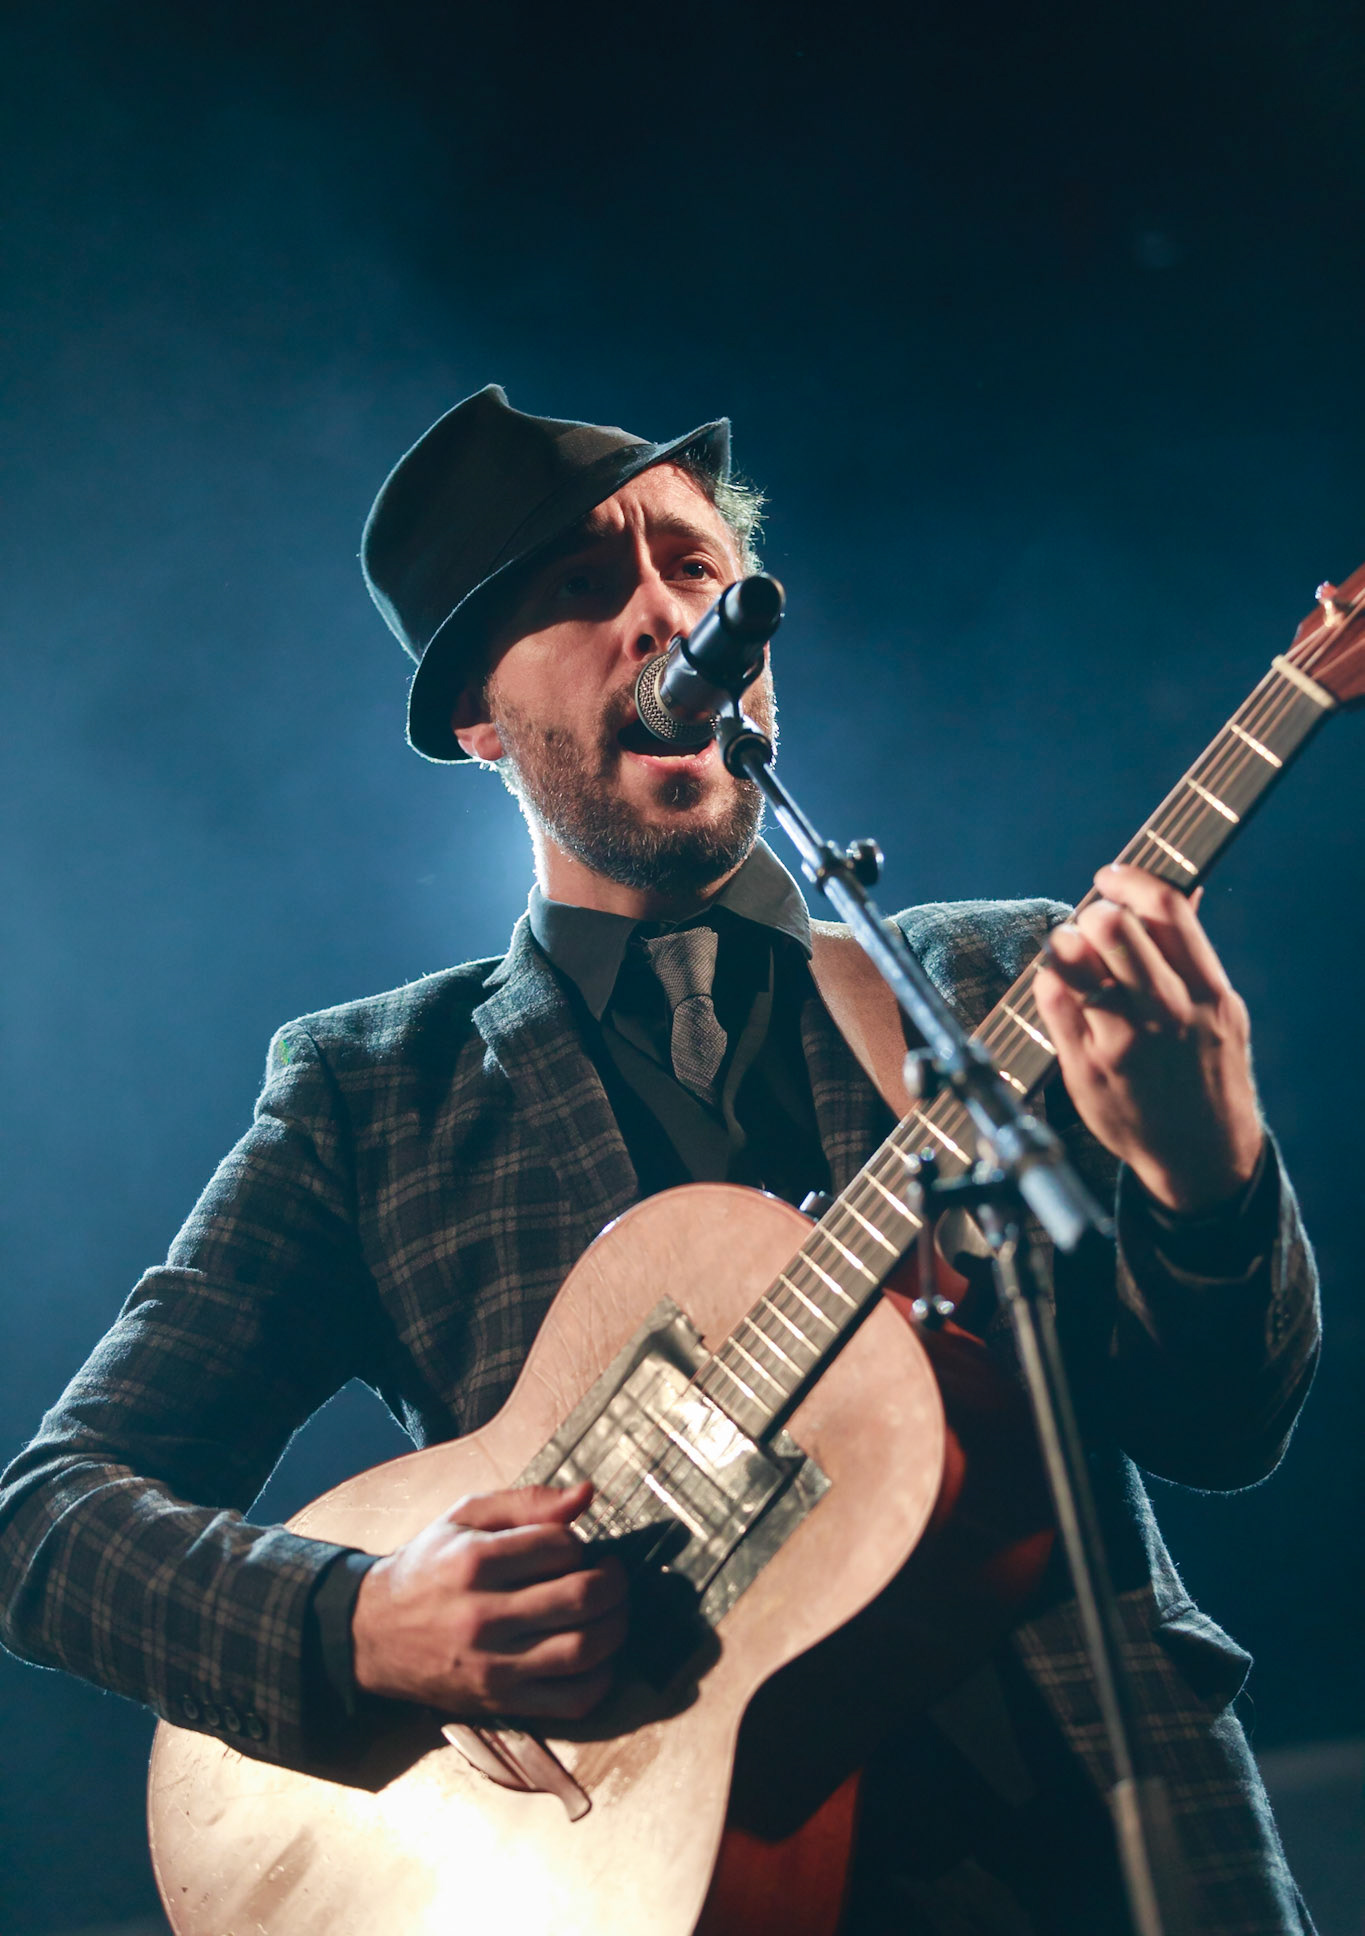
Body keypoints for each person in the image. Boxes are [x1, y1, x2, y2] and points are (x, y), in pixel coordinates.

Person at [0, 387, 1320, 1933]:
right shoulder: (370, 1098)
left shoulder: (987, 990)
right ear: (480, 722)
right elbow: (50, 1524)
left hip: (1105, 1856)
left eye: (692, 570)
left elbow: (1224, 1425)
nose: (661, 614)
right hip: (643, 1879)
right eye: (578, 587)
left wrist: (1204, 1172)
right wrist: (368, 1625)